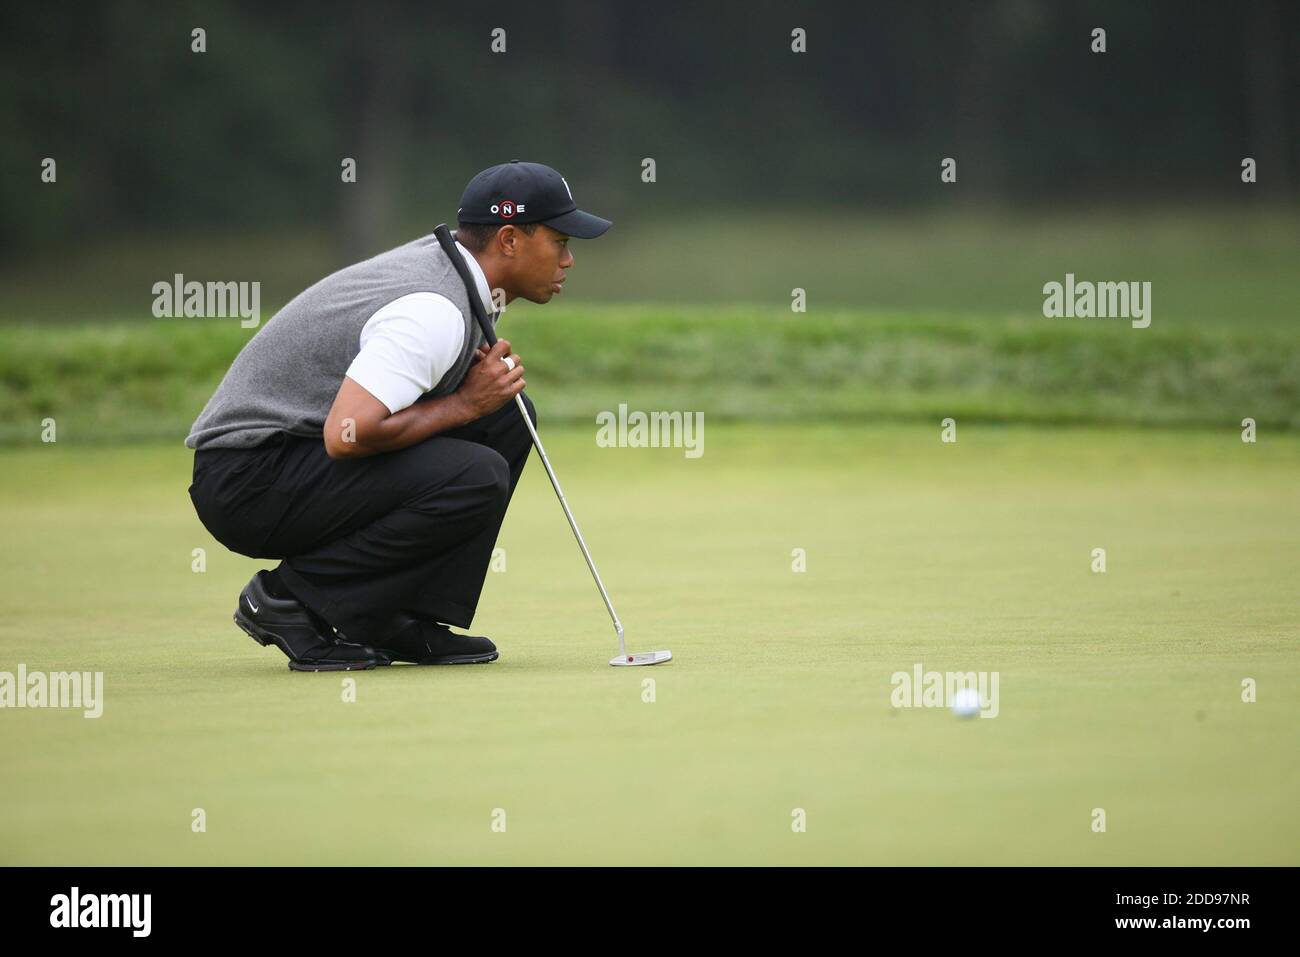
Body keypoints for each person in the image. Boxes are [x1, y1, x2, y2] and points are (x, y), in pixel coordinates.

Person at [185, 161, 611, 671]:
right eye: (560, 241)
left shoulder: (458, 273)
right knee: (476, 471)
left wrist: (473, 407)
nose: (568, 260)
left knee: (507, 419)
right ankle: (289, 599)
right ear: (509, 240)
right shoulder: (432, 310)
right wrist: (462, 405)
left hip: (285, 464)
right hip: (247, 479)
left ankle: (391, 618)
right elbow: (348, 434)